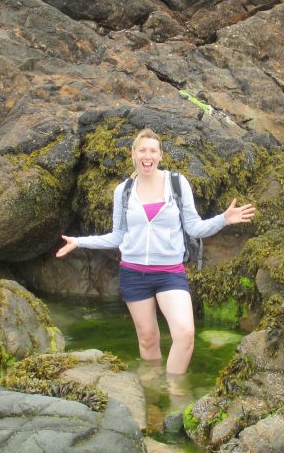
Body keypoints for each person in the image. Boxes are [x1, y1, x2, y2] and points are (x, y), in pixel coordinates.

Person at [56, 128, 256, 376]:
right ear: (133, 154)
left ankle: (172, 392)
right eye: (142, 150)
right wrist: (80, 242)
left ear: (160, 155)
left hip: (170, 273)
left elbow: (194, 227)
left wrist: (224, 219)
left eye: (152, 150)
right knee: (148, 339)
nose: (147, 155)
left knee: (185, 334)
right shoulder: (124, 190)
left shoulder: (177, 183)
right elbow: (118, 235)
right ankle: (151, 396)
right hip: (133, 273)